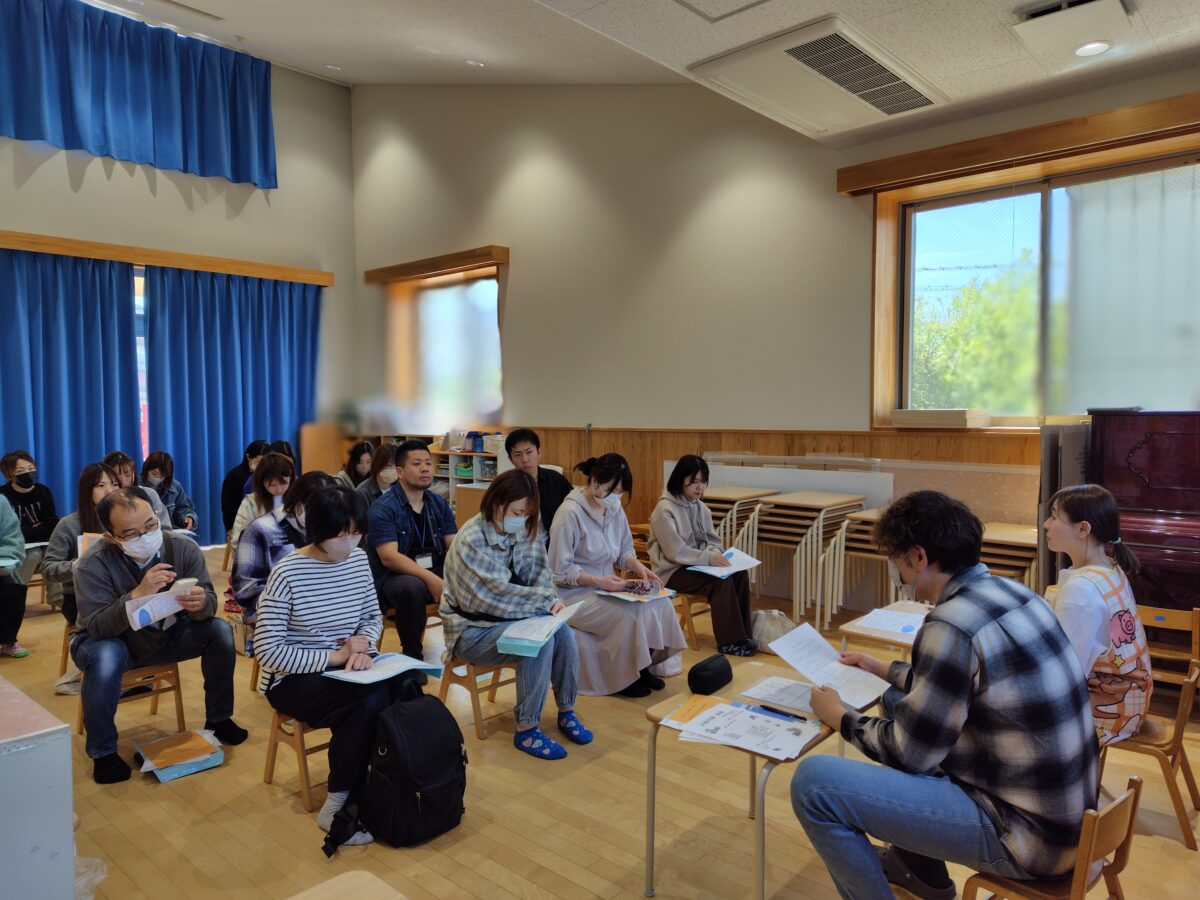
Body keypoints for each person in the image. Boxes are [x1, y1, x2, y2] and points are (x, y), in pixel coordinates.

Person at [790, 490, 1099, 900]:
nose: (897, 574)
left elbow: (910, 754)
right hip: (1073, 823)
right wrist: (884, 669)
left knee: (814, 785)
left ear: (918, 558)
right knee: (897, 701)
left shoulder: (950, 624)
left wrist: (839, 716)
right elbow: (961, 684)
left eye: (896, 560)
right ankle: (923, 876)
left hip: (1029, 841)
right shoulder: (1017, 593)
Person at [256, 485, 420, 846]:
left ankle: (385, 785)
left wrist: (363, 648)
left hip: (345, 666)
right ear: (317, 530)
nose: (350, 542)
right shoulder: (288, 572)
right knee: (366, 702)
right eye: (340, 534)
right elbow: (267, 651)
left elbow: (371, 617)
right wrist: (337, 657)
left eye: (356, 532)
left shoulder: (358, 560)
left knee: (406, 685)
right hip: (292, 679)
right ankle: (337, 805)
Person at [72, 488, 246, 784]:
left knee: (219, 631)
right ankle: (103, 751)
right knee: (106, 655)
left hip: (165, 635)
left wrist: (200, 603)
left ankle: (219, 718)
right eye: (131, 533)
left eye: (150, 525)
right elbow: (98, 627)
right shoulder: (92, 563)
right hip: (113, 642)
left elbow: (210, 602)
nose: (145, 536)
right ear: (112, 537)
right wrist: (136, 595)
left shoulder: (182, 548)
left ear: (156, 515)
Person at [441, 470, 592, 760]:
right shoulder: (471, 539)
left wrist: (551, 600)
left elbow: (540, 573)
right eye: (517, 512)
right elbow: (490, 598)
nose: (522, 519)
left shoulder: (524, 527)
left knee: (562, 631)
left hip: (512, 619)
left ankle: (566, 710)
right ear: (497, 503)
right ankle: (527, 728)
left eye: (526, 514)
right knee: (537, 643)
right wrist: (541, 602)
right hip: (471, 630)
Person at [548, 454, 687, 698]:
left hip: (609, 585)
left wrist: (638, 566)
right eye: (612, 491)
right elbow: (559, 571)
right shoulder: (569, 514)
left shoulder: (613, 508)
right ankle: (623, 679)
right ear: (594, 482)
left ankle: (643, 667)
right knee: (628, 614)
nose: (616, 498)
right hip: (574, 595)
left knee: (660, 602)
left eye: (621, 492)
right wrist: (598, 581)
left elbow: (624, 550)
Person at [1044, 483, 1152, 747]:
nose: (1046, 524)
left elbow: (1067, 671)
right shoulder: (1109, 567)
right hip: (1132, 701)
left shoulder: (1081, 590)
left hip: (1108, 714)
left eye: (1054, 517)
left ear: (1083, 529)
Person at [649, 455, 754, 656]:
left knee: (739, 574)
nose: (700, 487)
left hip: (696, 566)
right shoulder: (664, 510)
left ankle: (743, 635)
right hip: (671, 571)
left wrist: (716, 555)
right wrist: (710, 558)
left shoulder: (701, 507)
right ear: (681, 480)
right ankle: (729, 642)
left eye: (703, 481)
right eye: (694, 481)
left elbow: (713, 542)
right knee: (720, 583)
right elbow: (675, 552)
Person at [368, 440, 456, 660]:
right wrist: (430, 579)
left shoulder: (439, 503)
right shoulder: (383, 508)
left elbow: (454, 546)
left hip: (434, 570)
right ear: (399, 472)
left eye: (428, 463)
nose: (425, 469)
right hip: (395, 577)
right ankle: (412, 657)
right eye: (417, 464)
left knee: (471, 575)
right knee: (411, 588)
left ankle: (466, 649)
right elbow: (389, 557)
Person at [41, 463, 120, 692]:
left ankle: (119, 671)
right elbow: (48, 568)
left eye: (114, 484)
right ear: (87, 490)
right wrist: (76, 565)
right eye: (101, 485)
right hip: (77, 599)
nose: (109, 490)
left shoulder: (124, 519)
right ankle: (92, 672)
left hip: (117, 593)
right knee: (113, 622)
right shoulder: (69, 524)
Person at [231, 471, 336, 618]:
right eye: (314, 511)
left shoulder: (335, 530)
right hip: (275, 615)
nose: (319, 520)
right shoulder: (260, 530)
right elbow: (244, 590)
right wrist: (295, 602)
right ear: (297, 501)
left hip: (327, 613)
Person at [0, 450, 62, 608]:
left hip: (43, 542)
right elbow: (8, 532)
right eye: (21, 471)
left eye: (31, 469)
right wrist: (36, 528)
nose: (28, 474)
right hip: (15, 545)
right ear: (9, 475)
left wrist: (25, 530)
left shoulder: (43, 491)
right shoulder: (3, 496)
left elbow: (52, 524)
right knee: (34, 555)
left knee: (53, 552)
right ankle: (14, 596)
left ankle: (57, 596)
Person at [505, 428, 572, 540]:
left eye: (529, 452)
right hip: (516, 543)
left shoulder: (556, 480)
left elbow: (572, 510)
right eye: (518, 454)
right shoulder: (505, 486)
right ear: (510, 459)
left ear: (539, 452)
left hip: (552, 543)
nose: (525, 459)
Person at [230, 452, 295, 548]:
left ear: (291, 478)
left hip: (294, 554)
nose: (279, 489)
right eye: (273, 485)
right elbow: (238, 539)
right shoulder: (251, 503)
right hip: (260, 553)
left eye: (284, 483)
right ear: (262, 482)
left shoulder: (297, 499)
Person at [102, 451, 170, 529]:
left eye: (127, 474)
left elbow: (166, 529)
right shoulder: (103, 498)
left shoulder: (149, 494)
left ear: (134, 475)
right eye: (117, 475)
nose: (123, 480)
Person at [0, 495, 28, 658]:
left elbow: (13, 541)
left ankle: (8, 640)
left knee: (10, 587)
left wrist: (4, 563)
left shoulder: (1, 502)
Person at [141, 451, 198, 531]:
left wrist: (188, 517)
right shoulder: (135, 486)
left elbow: (183, 508)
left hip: (167, 532)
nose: (158, 477)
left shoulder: (175, 487)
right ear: (146, 469)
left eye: (163, 475)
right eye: (155, 474)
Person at [221, 439, 268, 533]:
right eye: (258, 462)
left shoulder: (268, 475)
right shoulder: (234, 476)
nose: (261, 466)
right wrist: (230, 529)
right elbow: (227, 506)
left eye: (264, 462)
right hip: (241, 524)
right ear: (248, 457)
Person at [355, 442, 398, 508]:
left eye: (397, 466)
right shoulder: (362, 493)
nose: (394, 470)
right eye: (389, 465)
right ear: (378, 464)